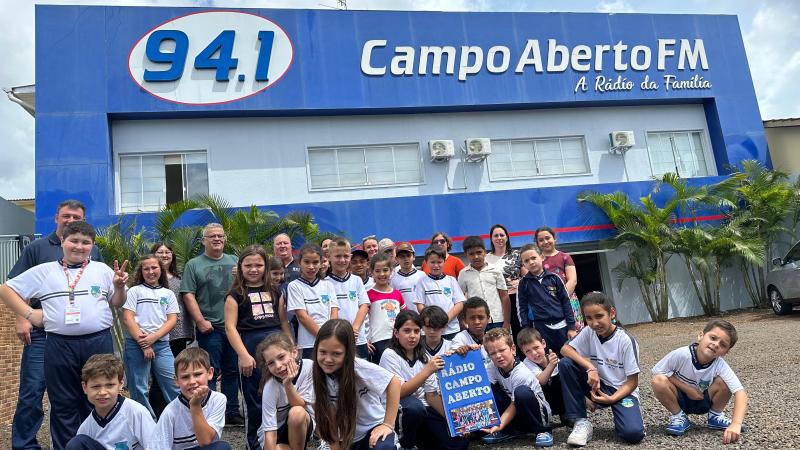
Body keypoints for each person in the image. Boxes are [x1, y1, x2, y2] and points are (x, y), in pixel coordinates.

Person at [0, 221, 128, 450]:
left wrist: (118, 287)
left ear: (92, 245)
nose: (79, 246)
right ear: (62, 241)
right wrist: (30, 314)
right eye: (74, 241)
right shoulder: (45, 271)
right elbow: (5, 289)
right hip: (59, 345)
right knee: (63, 404)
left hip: (98, 343)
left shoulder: (102, 270)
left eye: (85, 242)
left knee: (100, 400)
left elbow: (118, 303)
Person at [559, 292, 645, 446]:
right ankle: (581, 422)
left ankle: (628, 416)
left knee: (633, 434)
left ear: (612, 313)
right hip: (597, 386)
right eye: (589, 318)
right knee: (566, 364)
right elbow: (565, 349)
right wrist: (590, 368)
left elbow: (632, 382)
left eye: (599, 316)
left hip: (621, 390)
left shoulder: (625, 340)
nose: (594, 323)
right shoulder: (588, 332)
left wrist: (612, 399)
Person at [224, 245, 288, 450]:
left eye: (259, 265)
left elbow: (283, 322)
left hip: (278, 349)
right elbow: (230, 327)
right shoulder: (235, 295)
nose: (253, 269)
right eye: (248, 265)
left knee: (282, 397)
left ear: (266, 266)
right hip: (250, 351)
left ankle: (279, 442)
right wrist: (243, 355)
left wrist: (291, 348)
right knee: (255, 400)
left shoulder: (276, 291)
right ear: (240, 267)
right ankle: (254, 444)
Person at [180, 223, 243, 426]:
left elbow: (247, 287)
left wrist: (240, 277)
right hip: (210, 328)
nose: (217, 239)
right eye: (212, 236)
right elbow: (188, 294)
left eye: (220, 236)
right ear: (203, 241)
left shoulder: (235, 261)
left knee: (232, 370)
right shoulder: (193, 265)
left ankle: (232, 411)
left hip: (234, 327)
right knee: (210, 371)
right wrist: (199, 321)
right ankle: (209, 410)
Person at [378, 310, 468, 450]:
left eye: (416, 331)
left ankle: (421, 441)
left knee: (458, 442)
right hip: (398, 409)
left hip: (424, 408)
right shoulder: (390, 355)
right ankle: (405, 445)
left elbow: (431, 395)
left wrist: (454, 421)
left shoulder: (424, 356)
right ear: (396, 333)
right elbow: (398, 392)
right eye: (406, 331)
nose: (412, 336)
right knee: (414, 408)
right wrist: (427, 371)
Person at [651, 319, 748, 444]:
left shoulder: (720, 365)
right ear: (701, 336)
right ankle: (679, 417)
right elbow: (658, 371)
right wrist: (688, 389)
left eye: (723, 345)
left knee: (725, 382)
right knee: (658, 380)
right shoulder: (682, 354)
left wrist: (736, 424)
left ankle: (715, 416)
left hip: (703, 400)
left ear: (726, 352)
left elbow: (740, 393)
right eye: (713, 338)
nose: (716, 344)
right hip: (679, 399)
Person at [312, 319, 401, 450]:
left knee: (383, 448)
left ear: (348, 352)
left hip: (372, 429)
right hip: (346, 438)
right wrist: (335, 445)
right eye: (323, 352)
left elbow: (394, 382)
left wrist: (387, 424)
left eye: (336, 353)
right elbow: (330, 417)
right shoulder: (318, 375)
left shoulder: (359, 367)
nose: (328, 359)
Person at [121, 254, 181, 418]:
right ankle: (147, 423)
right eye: (146, 269)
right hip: (136, 344)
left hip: (161, 345)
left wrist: (153, 338)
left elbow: (172, 320)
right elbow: (128, 318)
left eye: (154, 267)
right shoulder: (134, 291)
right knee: (139, 388)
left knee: (173, 383)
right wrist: (145, 344)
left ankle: (181, 420)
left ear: (161, 270)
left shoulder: (168, 294)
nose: (150, 272)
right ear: (141, 272)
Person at [65, 354, 156, 450]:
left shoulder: (136, 412)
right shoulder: (86, 428)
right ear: (85, 387)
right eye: (96, 386)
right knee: (76, 444)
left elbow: (156, 446)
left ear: (120, 384)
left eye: (109, 385)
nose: (102, 392)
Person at [482, 328, 553, 447]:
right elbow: (482, 392)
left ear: (513, 349)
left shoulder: (521, 372)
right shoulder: (492, 367)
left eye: (502, 350)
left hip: (537, 413)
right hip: (517, 415)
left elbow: (514, 405)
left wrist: (500, 424)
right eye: (493, 353)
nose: (498, 356)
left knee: (522, 392)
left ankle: (543, 430)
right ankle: (510, 431)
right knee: (487, 389)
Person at [156, 348, 232, 450]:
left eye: (197, 374)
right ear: (176, 381)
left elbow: (206, 441)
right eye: (185, 377)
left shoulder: (218, 399)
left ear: (210, 373)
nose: (192, 381)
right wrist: (195, 405)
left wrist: (195, 406)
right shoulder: (170, 412)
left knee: (222, 447)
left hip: (205, 446)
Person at [256, 333, 315, 450]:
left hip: (302, 424)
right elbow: (270, 432)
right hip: (278, 433)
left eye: (281, 357)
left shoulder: (308, 367)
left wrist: (288, 384)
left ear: (294, 352)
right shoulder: (270, 386)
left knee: (297, 412)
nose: (278, 366)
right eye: (271, 363)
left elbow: (301, 406)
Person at [516, 244, 576, 357]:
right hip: (540, 328)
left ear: (542, 257)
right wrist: (526, 330)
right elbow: (521, 308)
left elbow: (566, 303)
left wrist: (571, 328)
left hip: (562, 326)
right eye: (526, 261)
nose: (531, 262)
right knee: (548, 359)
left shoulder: (555, 278)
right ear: (523, 264)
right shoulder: (523, 283)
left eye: (534, 258)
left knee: (569, 358)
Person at [286, 243, 338, 359]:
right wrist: (323, 337)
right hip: (309, 344)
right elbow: (302, 317)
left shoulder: (328, 285)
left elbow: (334, 311)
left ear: (321, 263)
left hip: (331, 340)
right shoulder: (294, 286)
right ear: (299, 262)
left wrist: (331, 335)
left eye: (315, 262)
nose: (311, 266)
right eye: (307, 262)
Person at [328, 238, 370, 359]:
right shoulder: (324, 283)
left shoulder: (356, 280)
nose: (342, 260)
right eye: (338, 256)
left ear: (350, 257)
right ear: (329, 257)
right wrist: (338, 332)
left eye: (346, 256)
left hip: (358, 339)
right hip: (337, 339)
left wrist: (354, 329)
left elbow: (364, 306)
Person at [457, 236, 510, 331]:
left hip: (497, 319)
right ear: (466, 255)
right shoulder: (463, 274)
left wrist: (506, 321)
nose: (476, 257)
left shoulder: (495, 270)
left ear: (485, 252)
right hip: (476, 322)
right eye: (471, 254)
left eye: (479, 252)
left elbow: (504, 296)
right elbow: (459, 299)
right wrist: (462, 321)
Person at [535, 226, 583, 330]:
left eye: (548, 238)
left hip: (568, 300)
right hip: (547, 306)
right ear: (537, 243)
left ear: (554, 238)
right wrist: (551, 302)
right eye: (541, 240)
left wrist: (560, 299)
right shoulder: (536, 262)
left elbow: (572, 280)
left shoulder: (565, 257)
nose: (545, 242)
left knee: (575, 334)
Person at [152, 242, 194, 355]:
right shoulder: (149, 279)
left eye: (167, 252)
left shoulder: (181, 278)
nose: (164, 255)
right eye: (160, 252)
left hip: (179, 330)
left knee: (178, 361)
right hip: (157, 329)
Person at [415, 247, 465, 340]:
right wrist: (432, 322)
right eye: (432, 262)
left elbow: (459, 303)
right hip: (431, 330)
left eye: (439, 262)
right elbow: (420, 305)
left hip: (451, 329)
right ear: (426, 262)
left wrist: (445, 320)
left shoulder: (451, 280)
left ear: (444, 262)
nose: (436, 265)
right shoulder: (422, 282)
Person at [366, 252, 407, 363]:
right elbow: (362, 320)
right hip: (377, 341)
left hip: (398, 339)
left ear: (391, 271)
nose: (382, 274)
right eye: (377, 271)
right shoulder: (368, 295)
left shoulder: (397, 294)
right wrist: (365, 339)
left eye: (385, 270)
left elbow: (406, 316)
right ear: (371, 272)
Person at [517, 327, 565, 421]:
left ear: (543, 343)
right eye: (528, 351)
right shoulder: (527, 363)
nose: (534, 353)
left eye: (536, 347)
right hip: (542, 400)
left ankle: (565, 413)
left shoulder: (551, 357)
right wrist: (551, 365)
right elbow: (541, 381)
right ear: (523, 352)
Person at [450, 296, 492, 366]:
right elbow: (452, 361)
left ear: (488, 318)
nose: (477, 322)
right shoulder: (460, 338)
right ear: (465, 320)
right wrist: (459, 352)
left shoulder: (494, 338)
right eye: (472, 318)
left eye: (481, 317)